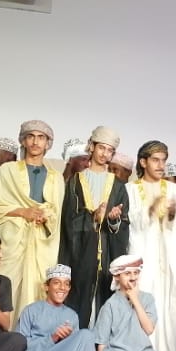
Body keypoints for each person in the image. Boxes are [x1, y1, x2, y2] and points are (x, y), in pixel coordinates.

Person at [126, 140, 176, 351]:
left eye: (163, 160)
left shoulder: (175, 191)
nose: (161, 165)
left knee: (171, 312)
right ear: (143, 162)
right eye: (155, 160)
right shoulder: (130, 189)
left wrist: (172, 215)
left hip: (169, 261)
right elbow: (130, 223)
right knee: (144, 309)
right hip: (145, 259)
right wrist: (151, 210)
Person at [0, 120, 64, 319]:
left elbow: (57, 213)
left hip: (42, 244)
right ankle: (2, 334)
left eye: (41, 137)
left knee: (38, 288)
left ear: (48, 143)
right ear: (23, 141)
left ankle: (33, 334)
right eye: (31, 136)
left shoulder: (56, 177)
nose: (35, 142)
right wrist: (22, 212)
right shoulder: (8, 170)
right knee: (6, 287)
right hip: (12, 241)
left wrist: (45, 216)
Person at [59, 126, 129, 327]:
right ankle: (78, 340)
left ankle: (101, 343)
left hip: (107, 250)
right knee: (79, 296)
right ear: (91, 146)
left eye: (109, 150)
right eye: (101, 148)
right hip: (81, 250)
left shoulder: (118, 185)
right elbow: (68, 219)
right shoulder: (75, 181)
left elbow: (124, 222)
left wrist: (113, 219)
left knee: (105, 298)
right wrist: (93, 218)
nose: (104, 154)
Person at [15, 264, 108, 351]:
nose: (62, 288)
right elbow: (18, 346)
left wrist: (67, 341)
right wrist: (52, 338)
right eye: (57, 283)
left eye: (66, 284)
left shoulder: (72, 315)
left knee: (86, 335)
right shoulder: (31, 310)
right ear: (46, 286)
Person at [93, 255, 169, 351]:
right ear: (117, 276)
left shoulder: (147, 299)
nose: (133, 277)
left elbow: (149, 329)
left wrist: (135, 300)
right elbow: (102, 341)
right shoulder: (110, 305)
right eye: (127, 273)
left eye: (136, 272)